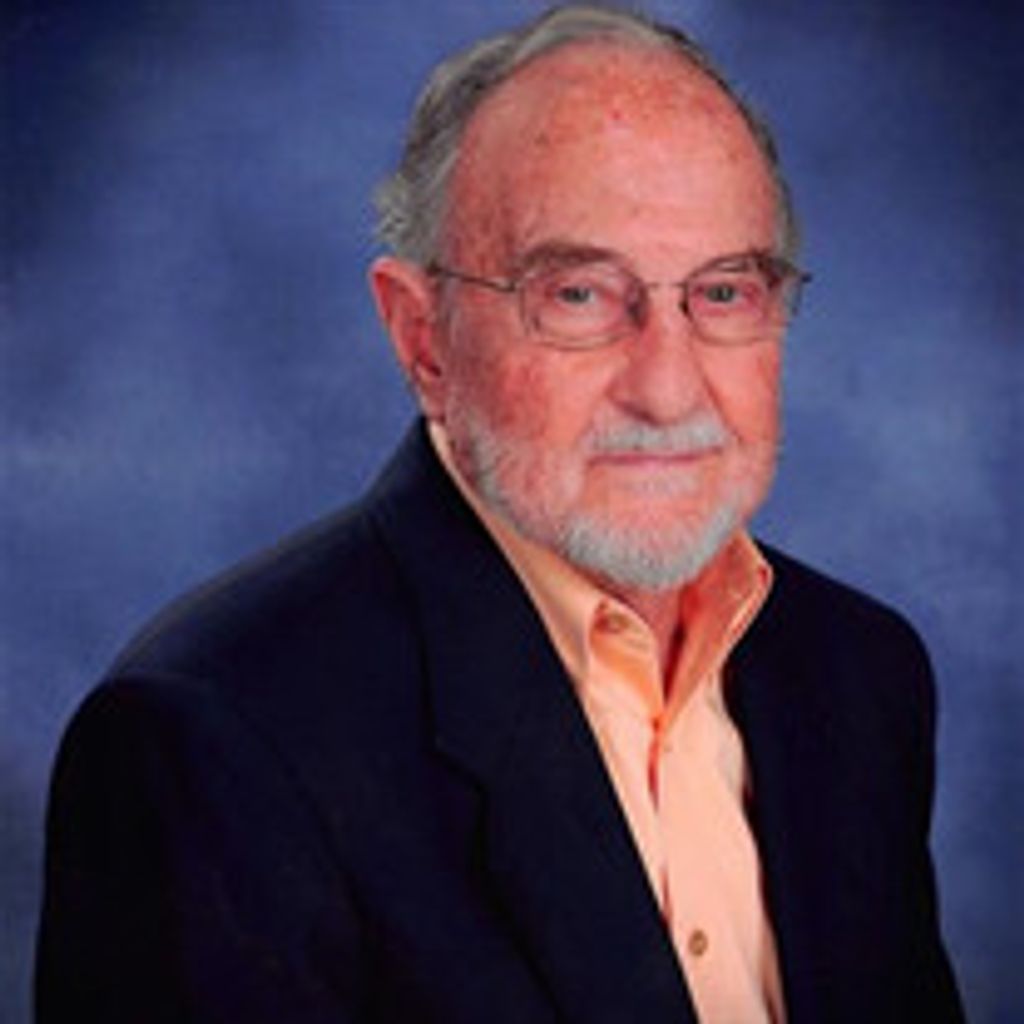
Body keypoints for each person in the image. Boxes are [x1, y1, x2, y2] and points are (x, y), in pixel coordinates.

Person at [35, 5, 965, 1022]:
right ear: (423, 338)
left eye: (724, 292)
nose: (667, 389)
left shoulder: (857, 672)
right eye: (578, 295)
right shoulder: (214, 740)